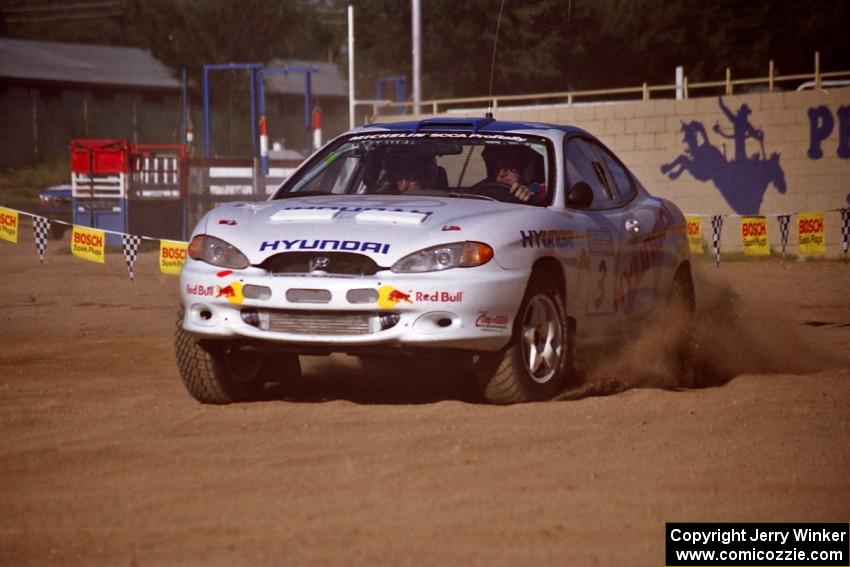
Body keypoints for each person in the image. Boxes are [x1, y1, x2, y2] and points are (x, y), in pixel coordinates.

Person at [480, 145, 546, 203]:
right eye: (497, 168)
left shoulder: (545, 192)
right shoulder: (482, 190)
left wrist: (529, 195)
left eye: (510, 166)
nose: (501, 174)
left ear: (526, 169)